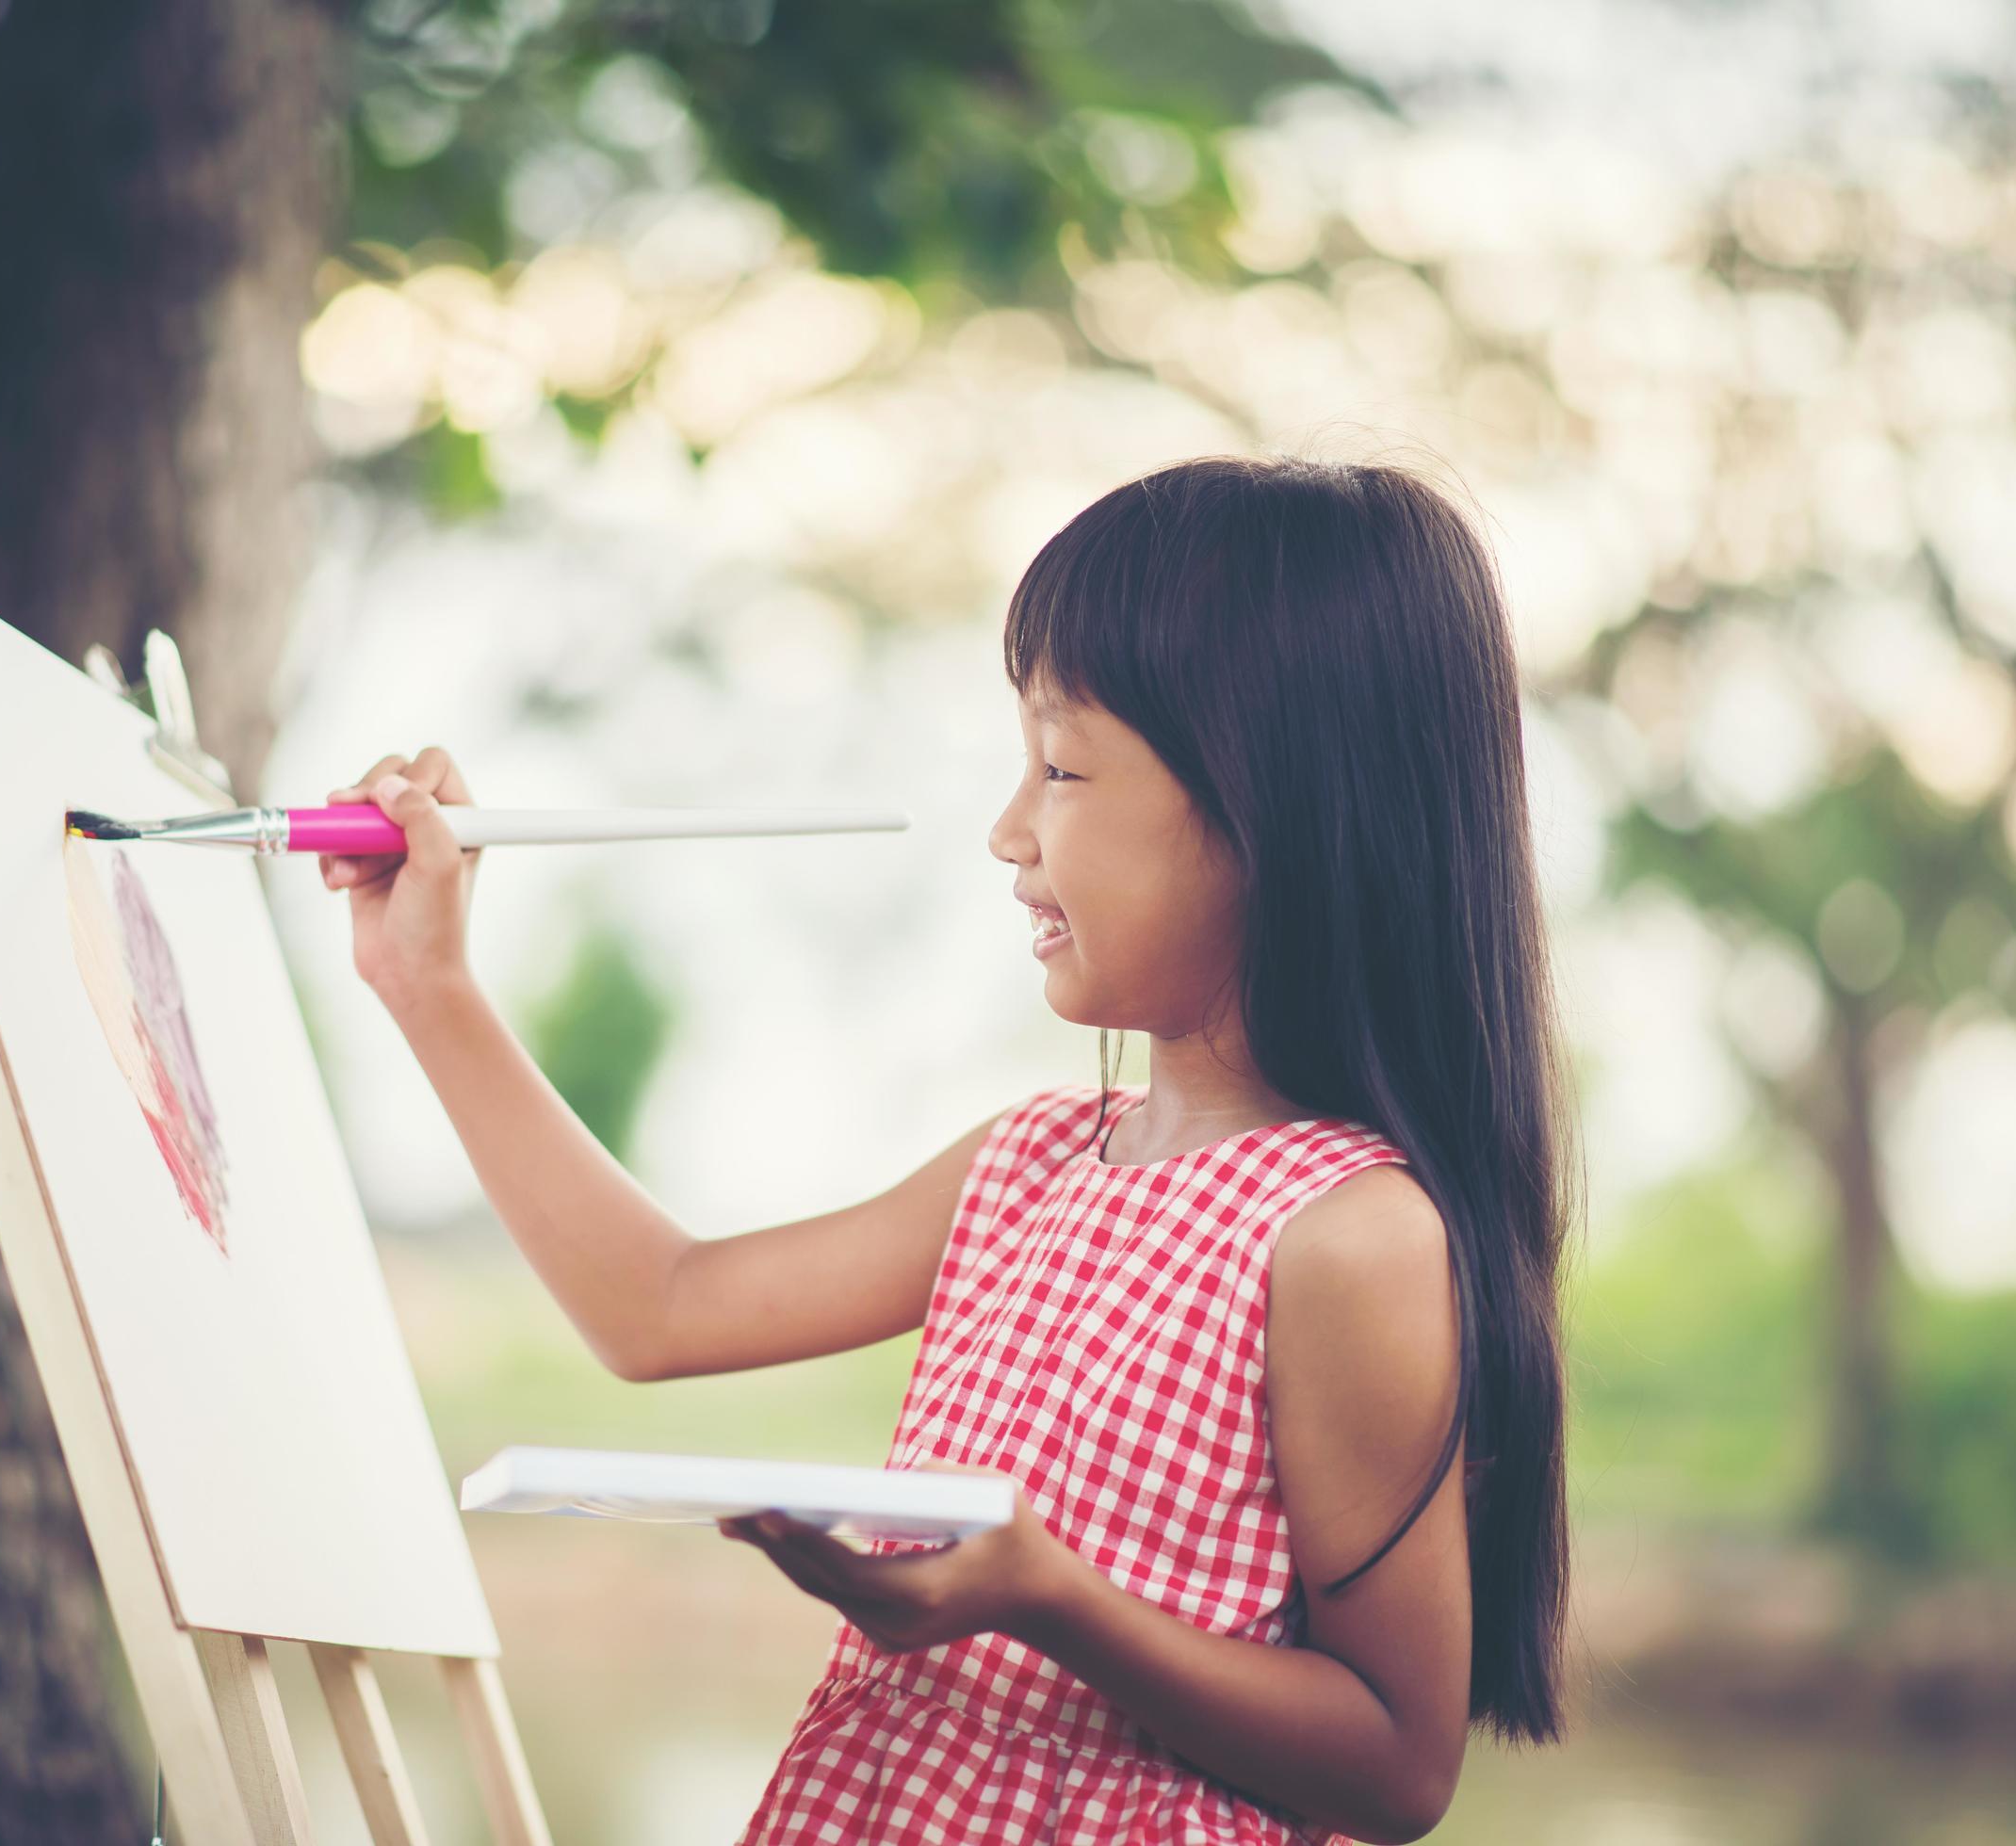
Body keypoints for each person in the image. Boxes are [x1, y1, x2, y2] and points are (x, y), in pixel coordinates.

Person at [321, 452, 1579, 1844]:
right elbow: (658, 1308)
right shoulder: (1031, 1162)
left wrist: (1051, 1598)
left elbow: (1395, 1772)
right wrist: (424, 983)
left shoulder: (1346, 1238)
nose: (1006, 829)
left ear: (1267, 810)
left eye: (1059, 765)